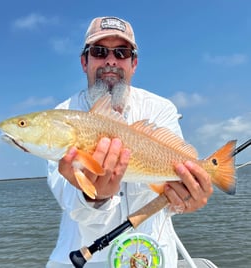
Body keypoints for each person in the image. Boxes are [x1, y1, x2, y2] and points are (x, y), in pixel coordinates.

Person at [46, 16, 213, 268]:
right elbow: (69, 203)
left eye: (122, 52)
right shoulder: (63, 117)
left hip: (152, 256)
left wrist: (187, 198)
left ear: (133, 63)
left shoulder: (160, 109)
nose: (110, 60)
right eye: (99, 51)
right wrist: (94, 198)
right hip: (84, 260)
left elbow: (171, 193)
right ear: (84, 62)